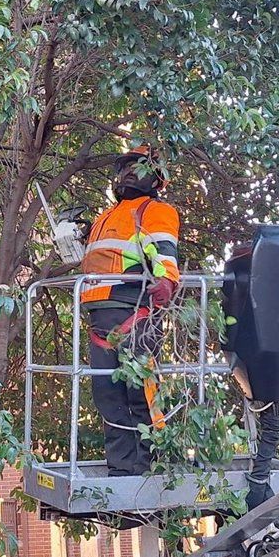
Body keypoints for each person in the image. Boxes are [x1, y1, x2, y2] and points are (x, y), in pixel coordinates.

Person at [79, 144, 182, 475]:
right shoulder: (104, 217)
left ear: (156, 178)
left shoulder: (156, 210)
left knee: (141, 392)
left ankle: (157, 464)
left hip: (133, 310)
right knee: (108, 394)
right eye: (126, 168)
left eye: (137, 167)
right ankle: (123, 469)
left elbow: (165, 251)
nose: (129, 174)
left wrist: (167, 281)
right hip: (99, 315)